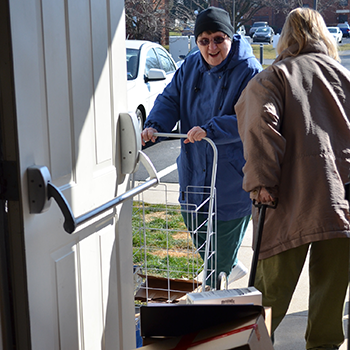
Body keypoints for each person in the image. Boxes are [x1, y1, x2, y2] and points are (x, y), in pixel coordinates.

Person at [235, 7, 350, 349]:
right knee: (330, 301)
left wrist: (261, 183)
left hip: (287, 201)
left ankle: (249, 345)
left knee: (269, 296)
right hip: (340, 201)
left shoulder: (273, 77)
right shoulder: (343, 77)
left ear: (285, 37)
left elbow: (259, 128)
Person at [141, 7, 262, 287]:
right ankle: (226, 266)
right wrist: (156, 124)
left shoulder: (249, 71)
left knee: (216, 260)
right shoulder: (191, 65)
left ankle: (214, 297)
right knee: (196, 224)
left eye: (219, 39)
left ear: (230, 37)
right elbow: (170, 98)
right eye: (204, 40)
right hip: (194, 171)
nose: (212, 47)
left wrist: (211, 129)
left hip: (230, 177)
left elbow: (252, 117)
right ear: (196, 42)